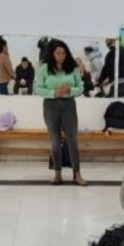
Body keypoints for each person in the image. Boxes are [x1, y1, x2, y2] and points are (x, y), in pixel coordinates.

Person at [36, 39, 86, 186]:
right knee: (55, 140)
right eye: (58, 53)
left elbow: (80, 87)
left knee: (72, 140)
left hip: (69, 105)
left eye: (63, 53)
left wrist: (70, 90)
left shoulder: (72, 68)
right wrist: (54, 92)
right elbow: (38, 88)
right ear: (52, 54)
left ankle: (77, 174)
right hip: (51, 106)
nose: (61, 56)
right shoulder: (45, 68)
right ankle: (57, 174)